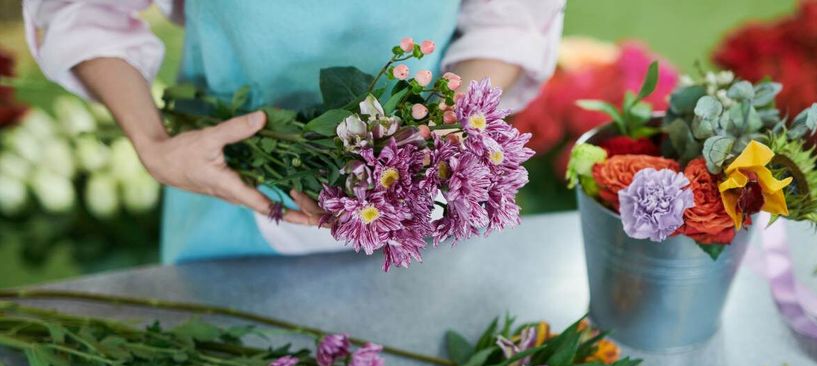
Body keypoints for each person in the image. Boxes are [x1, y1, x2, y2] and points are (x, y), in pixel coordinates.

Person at [23, 0, 564, 263]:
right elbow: (82, 8)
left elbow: (507, 16)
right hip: (229, 197)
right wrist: (153, 144)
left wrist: (447, 126)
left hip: (421, 203)